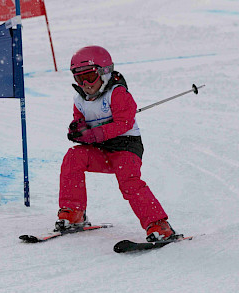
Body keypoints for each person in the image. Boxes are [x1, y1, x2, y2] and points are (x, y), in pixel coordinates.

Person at [55, 45, 177, 242]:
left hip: (126, 148)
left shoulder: (117, 93)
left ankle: (159, 225)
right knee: (73, 157)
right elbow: (80, 121)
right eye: (79, 78)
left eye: (90, 76)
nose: (85, 83)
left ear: (104, 72)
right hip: (101, 151)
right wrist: (78, 130)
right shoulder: (80, 100)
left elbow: (125, 122)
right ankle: (73, 213)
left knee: (129, 181)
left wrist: (96, 134)